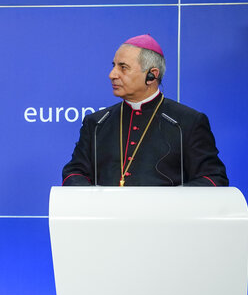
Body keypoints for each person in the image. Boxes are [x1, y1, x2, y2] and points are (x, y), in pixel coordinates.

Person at [62, 34, 227, 186]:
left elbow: (212, 178)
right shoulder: (97, 123)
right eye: (114, 66)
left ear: (152, 75)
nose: (112, 74)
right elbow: (74, 172)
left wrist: (170, 202)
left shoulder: (187, 122)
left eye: (123, 67)